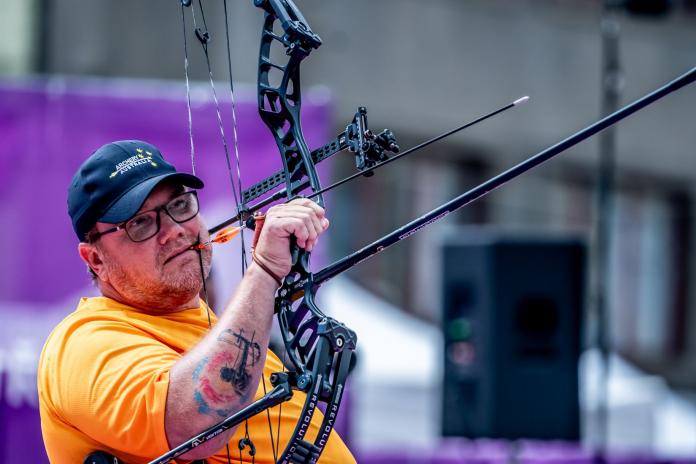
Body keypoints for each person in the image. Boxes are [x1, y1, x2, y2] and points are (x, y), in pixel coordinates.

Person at [37, 140, 355, 464]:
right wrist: (265, 272)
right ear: (95, 259)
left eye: (179, 205)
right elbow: (193, 428)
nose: (173, 230)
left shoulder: (214, 329)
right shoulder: (81, 343)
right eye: (140, 223)